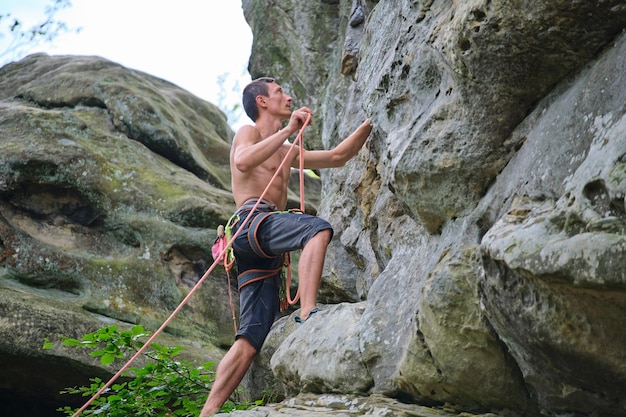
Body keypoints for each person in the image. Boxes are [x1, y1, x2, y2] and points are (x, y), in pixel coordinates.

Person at [200, 77, 372, 416]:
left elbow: (338, 156)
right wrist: (288, 131)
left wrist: (370, 123)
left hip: (260, 244)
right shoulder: (248, 133)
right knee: (316, 229)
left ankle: (208, 412)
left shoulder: (284, 150)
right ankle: (308, 312)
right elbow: (243, 162)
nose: (288, 96)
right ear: (262, 102)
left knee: (250, 339)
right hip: (250, 222)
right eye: (280, 92)